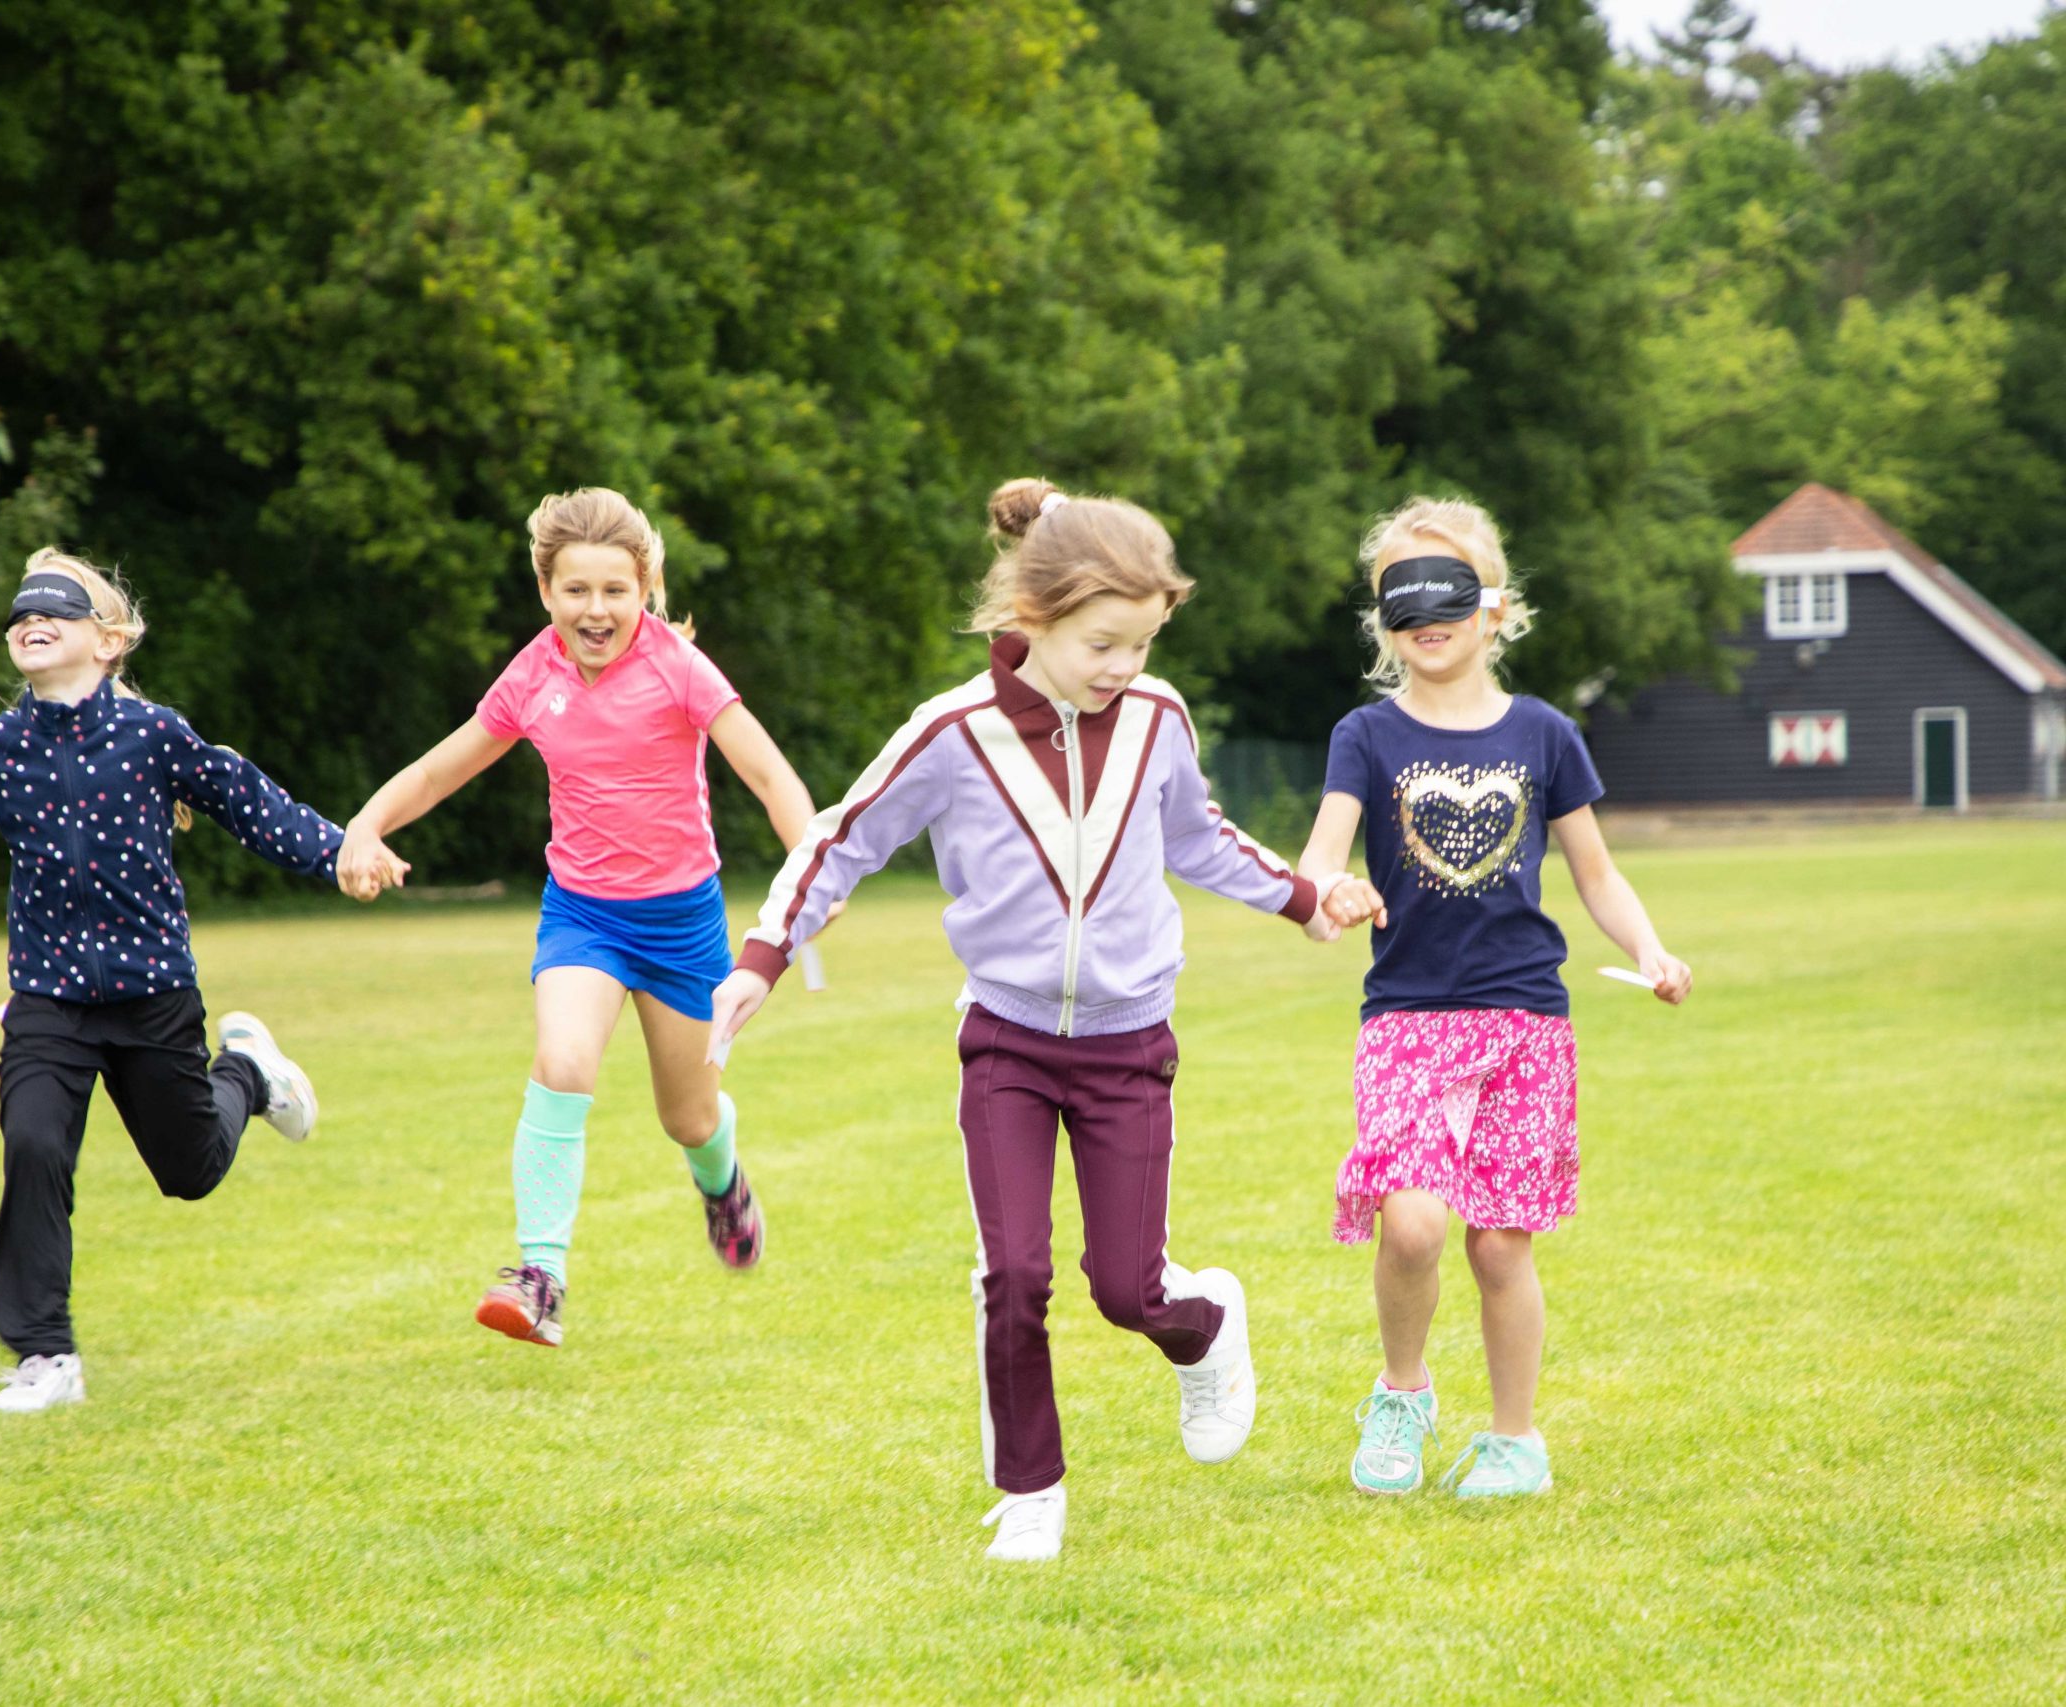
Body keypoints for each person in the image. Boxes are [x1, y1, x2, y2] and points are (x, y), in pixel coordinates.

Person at [707, 478, 1369, 1563]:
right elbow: (841, 842)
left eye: (1142, 646)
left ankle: (1203, 1327)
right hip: (1005, 1042)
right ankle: (1030, 1493)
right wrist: (762, 961)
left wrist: (1305, 898)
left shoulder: (1157, 718)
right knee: (1010, 1273)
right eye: (1104, 643)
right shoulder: (950, 731)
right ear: (1033, 615)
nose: (1124, 669)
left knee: (1127, 1287)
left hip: (1128, 1044)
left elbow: (1197, 837)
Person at [0, 548, 346, 1412]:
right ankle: (45, 1356)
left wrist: (341, 850)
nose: (29, 620)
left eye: (53, 609)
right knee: (34, 1143)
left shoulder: (154, 735)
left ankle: (249, 1072)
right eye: (19, 614)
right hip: (47, 1001)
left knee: (191, 1169)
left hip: (152, 994)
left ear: (110, 640)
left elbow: (252, 802)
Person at [335, 488, 828, 1349]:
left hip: (684, 925)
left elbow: (772, 777)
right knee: (562, 1062)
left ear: (645, 589)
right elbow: (437, 770)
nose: (595, 610)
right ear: (545, 592)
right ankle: (540, 1274)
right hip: (583, 916)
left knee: (690, 1118)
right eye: (576, 591)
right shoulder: (533, 674)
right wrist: (367, 823)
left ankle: (722, 1183)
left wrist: (812, 879)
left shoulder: (679, 666)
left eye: (614, 591)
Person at [1295, 496, 1692, 1500]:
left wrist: (1649, 949)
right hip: (1406, 1019)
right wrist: (1330, 892)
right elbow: (1319, 859)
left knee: (1499, 1244)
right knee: (1415, 1225)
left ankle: (1514, 1443)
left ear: (1493, 607)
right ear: (1382, 620)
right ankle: (1402, 1391)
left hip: (1525, 1019)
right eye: (1402, 597)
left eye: (1447, 591)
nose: (1426, 617)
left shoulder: (1545, 735)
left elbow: (1596, 875)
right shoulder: (1364, 735)